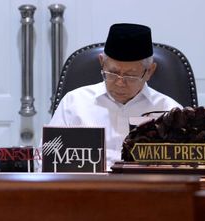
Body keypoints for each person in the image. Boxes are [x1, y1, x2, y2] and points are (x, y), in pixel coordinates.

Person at [49, 23, 181, 169]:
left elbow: (185, 169)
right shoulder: (74, 103)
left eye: (130, 76)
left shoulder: (169, 111)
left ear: (149, 71)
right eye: (112, 73)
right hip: (85, 189)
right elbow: (46, 160)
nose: (120, 83)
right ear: (102, 63)